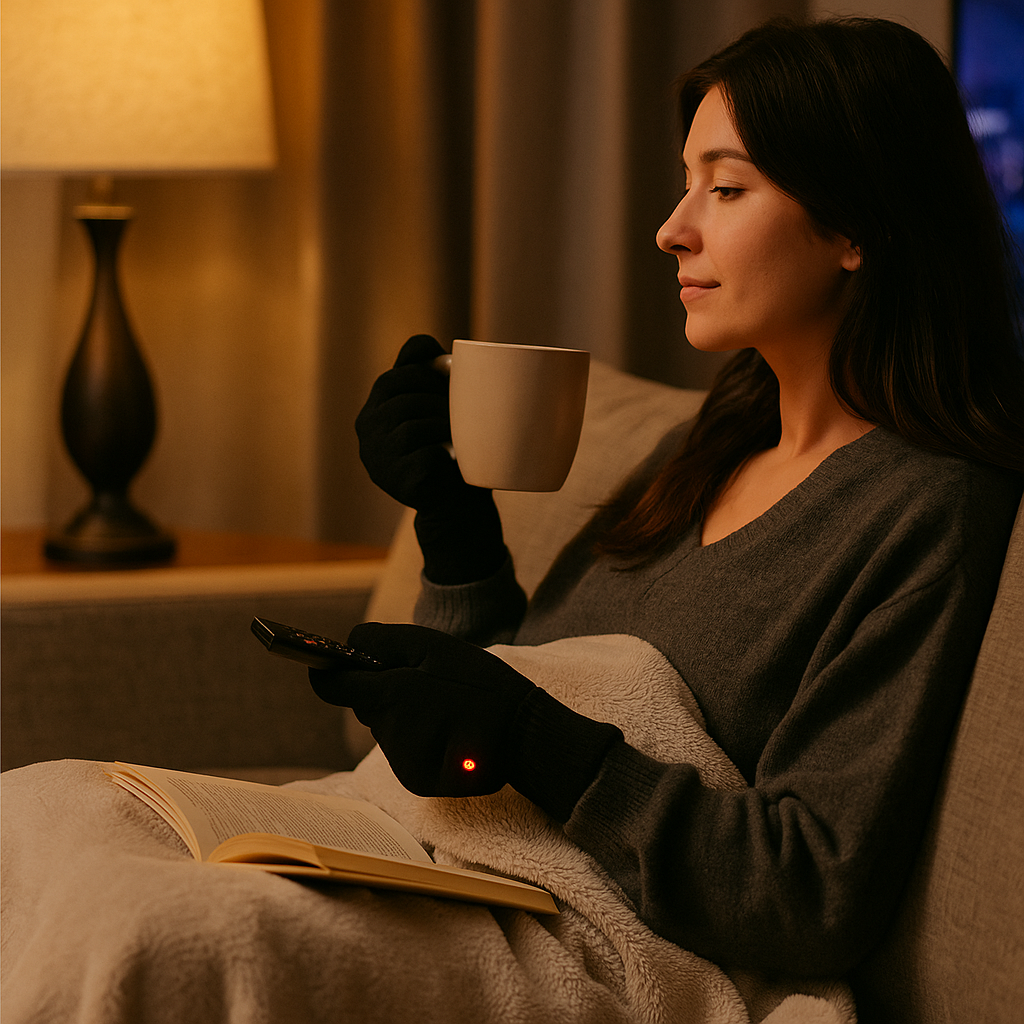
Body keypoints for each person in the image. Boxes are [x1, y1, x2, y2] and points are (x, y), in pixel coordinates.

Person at [313, 16, 1024, 980]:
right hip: (456, 871)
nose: (671, 228)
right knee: (55, 819)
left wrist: (537, 739)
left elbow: (806, 892)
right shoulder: (697, 450)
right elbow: (510, 705)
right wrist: (453, 526)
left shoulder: (925, 511)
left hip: (577, 951)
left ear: (856, 223)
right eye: (688, 183)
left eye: (725, 188)